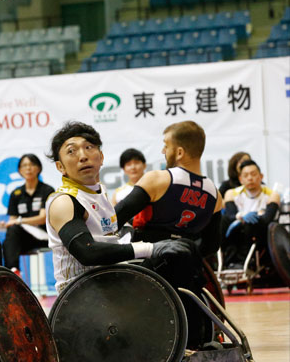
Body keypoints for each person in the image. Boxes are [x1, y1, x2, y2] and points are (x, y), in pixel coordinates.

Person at [44, 121, 192, 295]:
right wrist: (149, 248)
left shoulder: (100, 192)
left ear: (101, 157)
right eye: (71, 151)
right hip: (80, 295)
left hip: (110, 281)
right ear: (60, 167)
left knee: (183, 252)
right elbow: (87, 252)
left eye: (89, 147)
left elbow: (109, 237)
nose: (83, 156)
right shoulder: (64, 201)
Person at [114, 120, 224, 348]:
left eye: (166, 145)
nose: (163, 151)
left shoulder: (158, 179)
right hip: (188, 260)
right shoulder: (215, 194)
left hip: (148, 256)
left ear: (180, 151)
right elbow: (212, 245)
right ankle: (195, 341)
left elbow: (116, 218)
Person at [0, 154, 54, 275]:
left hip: (44, 236)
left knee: (13, 232)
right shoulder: (16, 193)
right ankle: (13, 272)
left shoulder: (47, 190)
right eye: (24, 165)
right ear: (20, 170)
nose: (28, 168)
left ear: (38, 168)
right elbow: (13, 221)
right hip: (25, 239)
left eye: (31, 165)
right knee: (9, 236)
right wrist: (5, 225)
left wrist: (20, 221)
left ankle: (10, 272)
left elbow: (43, 218)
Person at [221, 159, 280, 268]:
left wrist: (248, 218)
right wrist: (241, 217)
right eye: (246, 175)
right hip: (236, 231)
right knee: (222, 222)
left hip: (258, 232)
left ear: (261, 176)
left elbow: (267, 219)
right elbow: (230, 216)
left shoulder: (272, 195)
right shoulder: (231, 194)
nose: (250, 178)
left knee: (251, 224)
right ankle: (227, 263)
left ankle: (247, 263)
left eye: (253, 174)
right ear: (240, 179)